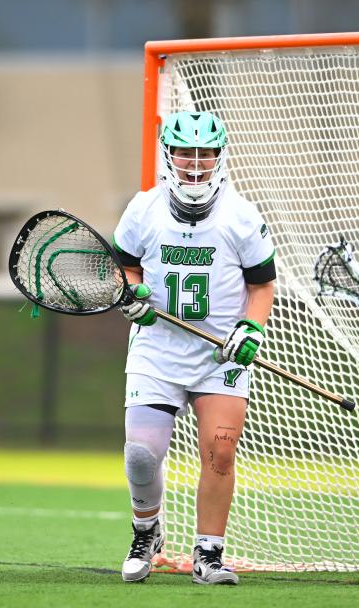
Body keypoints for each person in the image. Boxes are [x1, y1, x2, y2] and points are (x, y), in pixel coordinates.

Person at [111, 110, 276, 585]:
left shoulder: (241, 216)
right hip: (157, 349)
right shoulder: (143, 209)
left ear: (220, 156)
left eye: (205, 153)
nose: (196, 163)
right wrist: (130, 295)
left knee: (220, 452)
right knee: (141, 455)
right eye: (186, 152)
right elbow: (124, 268)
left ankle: (209, 554)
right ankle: (147, 532)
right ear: (169, 155)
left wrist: (250, 329)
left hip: (218, 355)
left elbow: (262, 286)